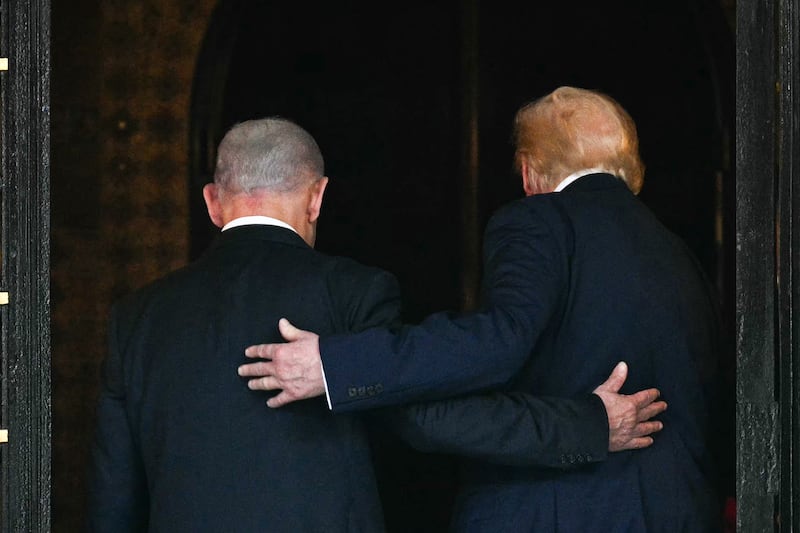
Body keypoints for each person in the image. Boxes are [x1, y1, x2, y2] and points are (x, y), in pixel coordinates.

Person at [87, 116, 664, 532]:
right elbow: (431, 420)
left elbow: (113, 497)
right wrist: (585, 426)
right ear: (317, 198)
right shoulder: (354, 291)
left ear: (213, 202)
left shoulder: (135, 318)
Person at [240, 87, 724, 531]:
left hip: (559, 513)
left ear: (530, 171)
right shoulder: (677, 252)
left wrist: (336, 366)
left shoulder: (540, 221)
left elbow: (497, 343)